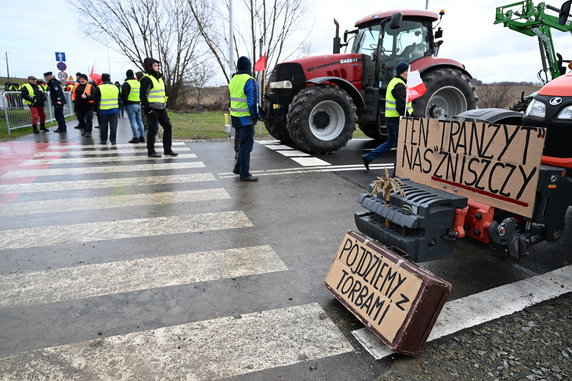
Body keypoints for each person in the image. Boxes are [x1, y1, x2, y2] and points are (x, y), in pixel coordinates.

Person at [362, 61, 412, 172]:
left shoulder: (394, 82)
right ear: (402, 73)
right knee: (400, 145)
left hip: (392, 119)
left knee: (391, 142)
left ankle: (368, 157)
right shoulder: (399, 85)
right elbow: (401, 106)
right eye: (407, 71)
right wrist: (408, 118)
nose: (409, 73)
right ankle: (396, 172)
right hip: (397, 120)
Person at [229, 56, 259, 182]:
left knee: (243, 144)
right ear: (248, 67)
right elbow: (252, 102)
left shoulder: (233, 79)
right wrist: (255, 116)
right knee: (246, 146)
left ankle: (238, 168)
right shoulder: (249, 80)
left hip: (235, 118)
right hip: (246, 119)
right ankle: (244, 174)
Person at [140, 57, 178, 157]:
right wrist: (148, 109)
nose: (158, 67)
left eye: (158, 65)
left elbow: (162, 93)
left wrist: (165, 103)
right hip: (152, 109)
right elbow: (143, 95)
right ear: (149, 67)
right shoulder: (146, 79)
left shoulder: (160, 79)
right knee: (152, 130)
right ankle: (151, 151)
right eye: (155, 65)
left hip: (162, 108)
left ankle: (167, 149)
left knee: (168, 127)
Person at [94, 73, 119, 144]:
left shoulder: (99, 87)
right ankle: (113, 140)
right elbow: (119, 97)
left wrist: (95, 110)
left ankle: (103, 140)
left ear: (102, 79)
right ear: (109, 79)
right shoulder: (115, 87)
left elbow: (96, 100)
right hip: (114, 109)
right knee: (113, 126)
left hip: (103, 110)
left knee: (103, 126)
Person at [122, 69, 145, 143]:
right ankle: (142, 136)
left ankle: (135, 137)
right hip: (138, 104)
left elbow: (124, 96)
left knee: (133, 121)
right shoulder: (138, 83)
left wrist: (125, 104)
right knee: (140, 121)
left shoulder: (126, 83)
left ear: (127, 75)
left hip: (130, 104)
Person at [73, 74, 95, 138]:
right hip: (79, 106)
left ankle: (89, 131)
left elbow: (95, 97)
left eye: (83, 79)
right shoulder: (76, 86)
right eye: (80, 79)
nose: (81, 80)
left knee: (88, 119)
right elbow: (74, 95)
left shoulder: (91, 87)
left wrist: (87, 96)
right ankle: (85, 130)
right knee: (80, 119)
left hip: (88, 106)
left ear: (86, 79)